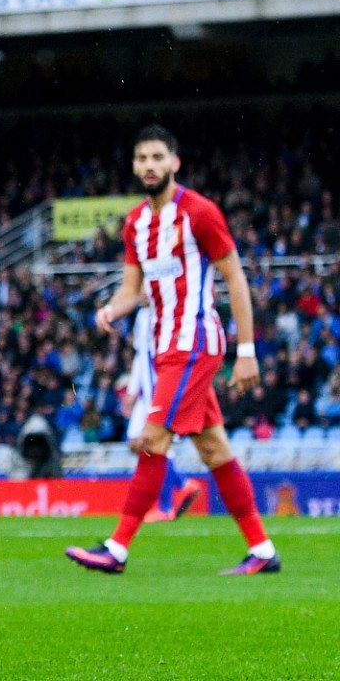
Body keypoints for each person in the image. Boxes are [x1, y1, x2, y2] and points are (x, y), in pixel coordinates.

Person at [67, 126, 280, 576]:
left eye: (158, 157)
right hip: (164, 346)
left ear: (174, 163)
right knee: (214, 450)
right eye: (142, 157)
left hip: (194, 342)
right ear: (134, 165)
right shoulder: (135, 224)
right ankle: (262, 550)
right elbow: (132, 290)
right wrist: (111, 310)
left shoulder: (199, 212)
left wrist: (247, 351)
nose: (150, 165)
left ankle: (117, 549)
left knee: (150, 440)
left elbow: (236, 279)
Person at [117, 303, 202, 523]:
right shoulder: (142, 316)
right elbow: (140, 356)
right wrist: (133, 392)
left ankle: (166, 504)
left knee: (154, 446)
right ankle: (181, 485)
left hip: (158, 392)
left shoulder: (163, 314)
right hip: (147, 394)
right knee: (138, 443)